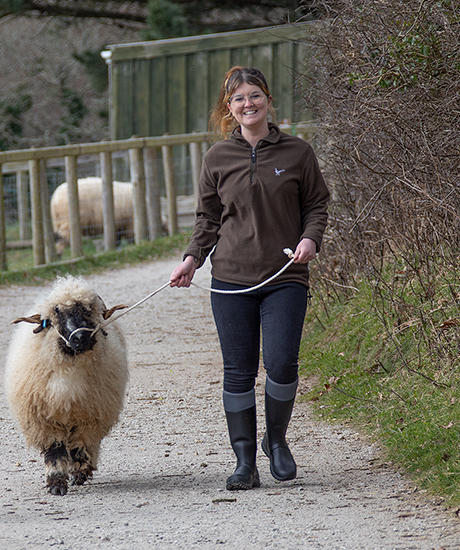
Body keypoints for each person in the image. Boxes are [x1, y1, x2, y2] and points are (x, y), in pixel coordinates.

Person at [169, 66, 329, 491]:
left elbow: (316, 205)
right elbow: (207, 218)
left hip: (285, 277)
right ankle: (244, 462)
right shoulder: (217, 158)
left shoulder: (298, 153)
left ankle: (276, 441)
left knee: (280, 363)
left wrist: (310, 239)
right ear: (229, 107)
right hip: (231, 280)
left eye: (255, 95)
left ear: (268, 99)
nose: (248, 104)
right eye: (239, 98)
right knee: (238, 372)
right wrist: (191, 258)